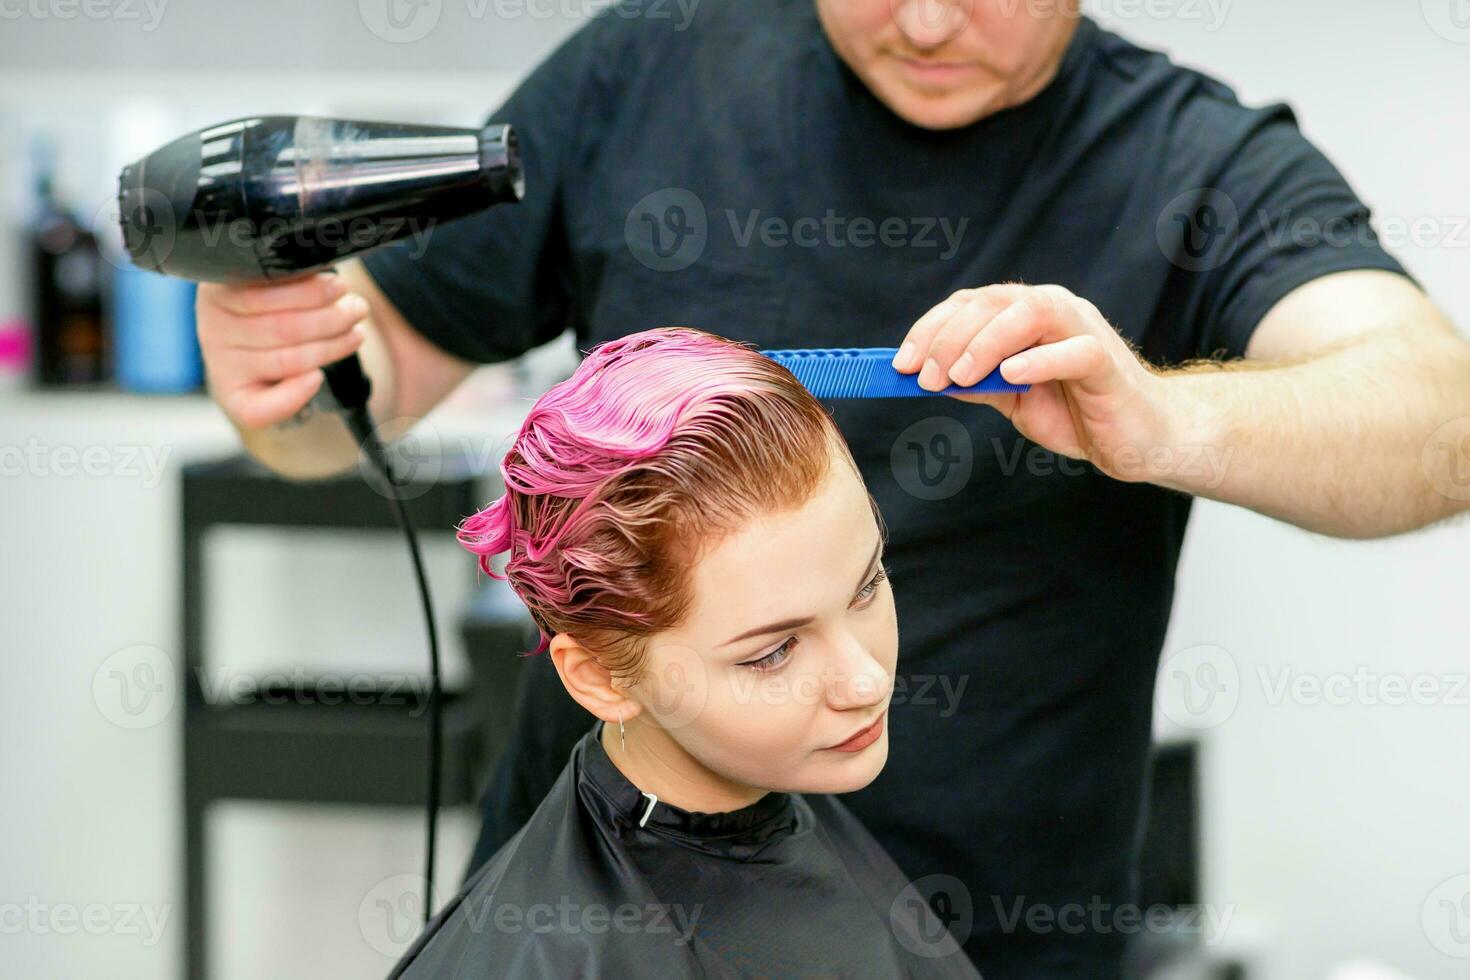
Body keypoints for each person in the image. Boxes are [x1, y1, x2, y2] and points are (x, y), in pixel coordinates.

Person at [194, 1, 1470, 975]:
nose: (923, 22)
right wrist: (290, 380)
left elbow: (1441, 418)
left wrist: (1168, 414)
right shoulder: (644, 68)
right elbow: (358, 395)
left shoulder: (1198, 165)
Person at [388, 326, 980, 978]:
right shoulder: (551, 955)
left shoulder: (770, 790)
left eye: (867, 585)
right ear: (602, 676)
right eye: (773, 653)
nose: (866, 681)